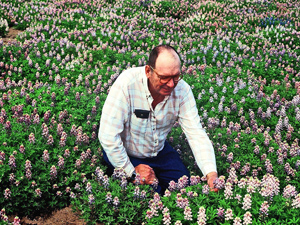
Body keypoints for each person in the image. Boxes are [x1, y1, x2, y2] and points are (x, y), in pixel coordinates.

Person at [99, 44, 218, 194]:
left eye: (176, 76)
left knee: (184, 188)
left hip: (158, 152)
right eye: (164, 78)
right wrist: (131, 171)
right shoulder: (127, 83)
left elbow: (196, 133)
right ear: (149, 71)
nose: (171, 84)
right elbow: (108, 136)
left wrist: (211, 173)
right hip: (126, 152)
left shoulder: (182, 90)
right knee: (151, 194)